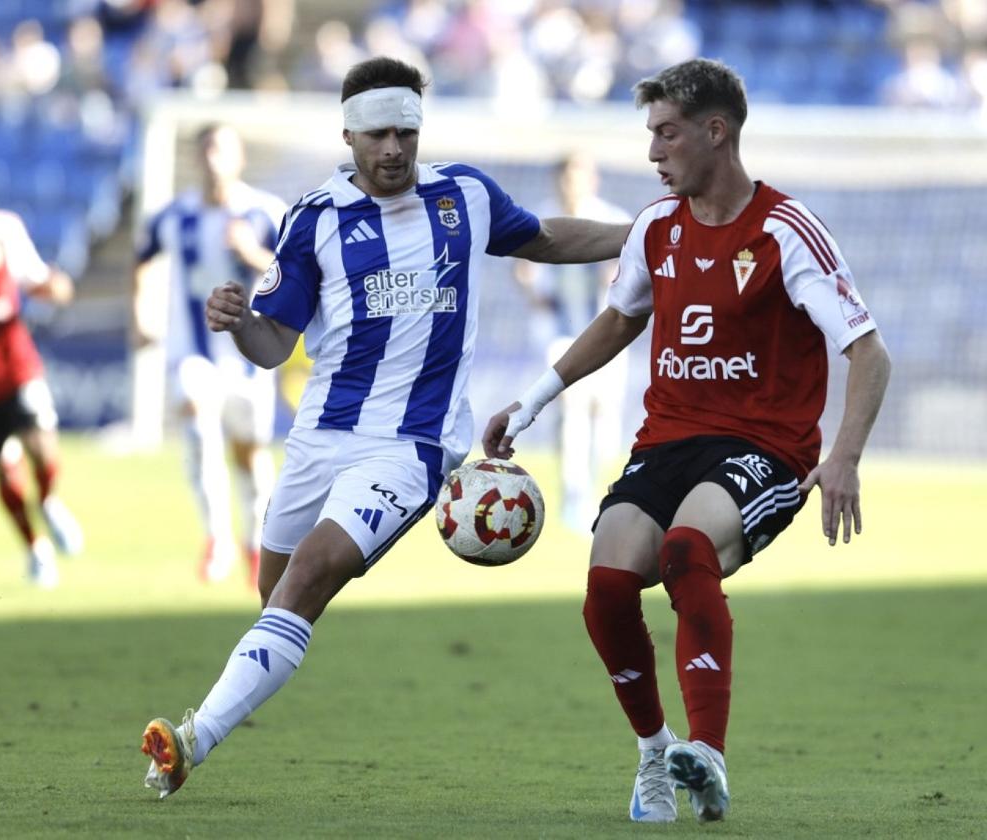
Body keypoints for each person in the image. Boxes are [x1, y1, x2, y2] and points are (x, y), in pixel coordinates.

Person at [138, 56, 630, 800]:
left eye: (405, 132)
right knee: (277, 592)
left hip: (413, 446)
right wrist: (241, 326)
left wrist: (645, 231)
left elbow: (547, 238)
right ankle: (236, 695)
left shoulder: (465, 195)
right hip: (319, 436)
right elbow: (276, 345)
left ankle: (190, 740)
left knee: (306, 575)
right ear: (349, 134)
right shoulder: (314, 218)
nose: (392, 148)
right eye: (376, 135)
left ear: (419, 130)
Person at [483, 58, 892, 824]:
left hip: (764, 445)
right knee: (606, 588)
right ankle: (653, 757)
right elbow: (618, 320)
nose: (652, 152)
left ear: (716, 131)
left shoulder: (783, 231)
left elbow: (868, 351)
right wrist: (533, 401)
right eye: (650, 135)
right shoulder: (656, 229)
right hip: (665, 441)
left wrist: (844, 456)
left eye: (666, 134)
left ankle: (708, 753)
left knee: (684, 553)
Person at [133, 123, 285, 585]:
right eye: (207, 150)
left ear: (239, 158)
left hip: (249, 355)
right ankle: (215, 537)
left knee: (249, 455)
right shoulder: (173, 215)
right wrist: (141, 315)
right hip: (192, 351)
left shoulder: (266, 212)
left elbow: (293, 272)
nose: (214, 158)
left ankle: (253, 543)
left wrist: (251, 252)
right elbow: (141, 259)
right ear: (197, 158)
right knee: (197, 423)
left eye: (223, 149)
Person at [0, 159, 84, 588]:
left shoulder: (3, 227)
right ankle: (35, 550)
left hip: (13, 354)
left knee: (41, 443)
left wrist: (53, 286)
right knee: (2, 464)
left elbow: (35, 278)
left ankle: (51, 500)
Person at [514, 152, 632, 531]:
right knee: (572, 403)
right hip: (558, 331)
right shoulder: (542, 219)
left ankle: (595, 490)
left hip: (606, 330)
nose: (573, 184)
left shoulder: (612, 219)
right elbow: (522, 266)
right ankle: (574, 495)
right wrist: (530, 288)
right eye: (567, 177)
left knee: (604, 413)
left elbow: (631, 273)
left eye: (580, 176)